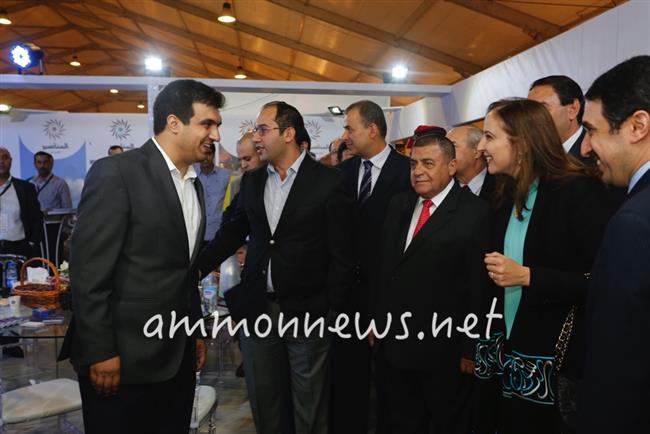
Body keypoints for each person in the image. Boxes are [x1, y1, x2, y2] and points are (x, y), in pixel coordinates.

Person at [58, 79, 225, 434]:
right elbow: (89, 273)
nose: (216, 135)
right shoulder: (117, 172)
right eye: (207, 124)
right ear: (174, 122)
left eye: (217, 125)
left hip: (176, 357)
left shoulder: (193, 183)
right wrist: (101, 351)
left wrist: (194, 331)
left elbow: (184, 271)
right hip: (121, 361)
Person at [198, 101, 355, 434]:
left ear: (288, 133)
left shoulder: (329, 181)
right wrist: (194, 270)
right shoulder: (252, 181)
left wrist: (334, 310)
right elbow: (230, 234)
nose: (256, 137)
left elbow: (343, 253)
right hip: (259, 310)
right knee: (265, 404)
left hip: (310, 312)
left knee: (309, 408)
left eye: (262, 129)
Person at [474, 98, 609, 434]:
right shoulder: (505, 193)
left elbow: (601, 281)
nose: (481, 147)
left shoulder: (577, 192)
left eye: (489, 137)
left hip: (553, 360)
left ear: (521, 143)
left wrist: (529, 277)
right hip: (506, 354)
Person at [372, 133, 490, 434]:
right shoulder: (399, 204)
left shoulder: (474, 213)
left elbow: (479, 287)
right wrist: (376, 320)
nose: (418, 171)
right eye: (413, 164)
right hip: (395, 347)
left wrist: (470, 347)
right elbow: (385, 268)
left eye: (428, 163)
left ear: (451, 166)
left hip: (444, 353)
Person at [579, 55, 650, 434]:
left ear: (637, 126)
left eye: (592, 131)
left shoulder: (634, 222)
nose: (586, 148)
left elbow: (618, 367)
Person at [333, 99, 412, 434]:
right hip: (346, 298)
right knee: (347, 384)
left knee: (391, 388)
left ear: (373, 129)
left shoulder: (407, 172)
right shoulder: (341, 174)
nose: (345, 136)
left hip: (390, 297)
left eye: (350, 128)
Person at [0, 147, 44, 358]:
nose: (1, 161)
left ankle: (11, 342)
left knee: (14, 296)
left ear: (11, 161)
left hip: (16, 248)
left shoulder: (25, 187)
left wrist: (32, 244)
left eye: (4, 158)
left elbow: (36, 218)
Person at [528, 75, 590, 165]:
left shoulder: (596, 157)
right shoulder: (530, 158)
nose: (531, 117)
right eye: (529, 110)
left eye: (542, 108)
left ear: (573, 109)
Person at [447, 125, 495, 201]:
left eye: (452, 146)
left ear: (477, 152)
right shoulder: (443, 188)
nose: (443, 153)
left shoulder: (503, 186)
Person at [196, 141, 230, 246]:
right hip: (196, 234)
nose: (205, 157)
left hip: (218, 233)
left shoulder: (226, 176)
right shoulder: (191, 175)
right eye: (202, 154)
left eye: (208, 154)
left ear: (214, 154)